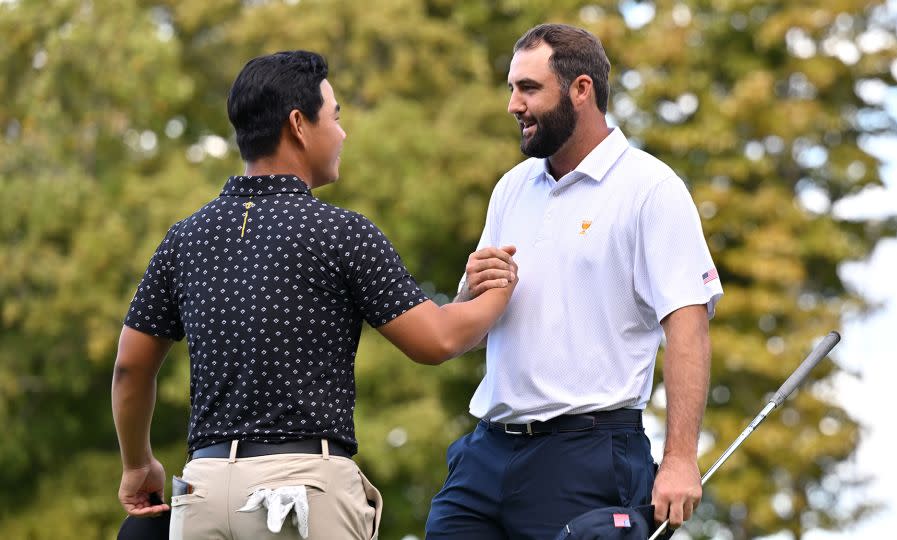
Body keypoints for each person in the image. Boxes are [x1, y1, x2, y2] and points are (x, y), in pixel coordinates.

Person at [112, 50, 518, 540]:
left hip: (202, 495)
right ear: (299, 124)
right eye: (336, 116)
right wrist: (498, 292)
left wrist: (138, 465)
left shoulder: (185, 238)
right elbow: (436, 341)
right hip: (300, 498)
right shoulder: (339, 233)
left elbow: (130, 367)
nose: (342, 133)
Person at [425, 24, 723, 539]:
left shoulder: (651, 189)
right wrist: (468, 294)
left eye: (529, 88)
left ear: (581, 89)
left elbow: (688, 327)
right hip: (486, 453)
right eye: (512, 88)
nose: (513, 104)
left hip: (587, 457)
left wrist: (679, 459)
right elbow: (470, 329)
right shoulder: (512, 188)